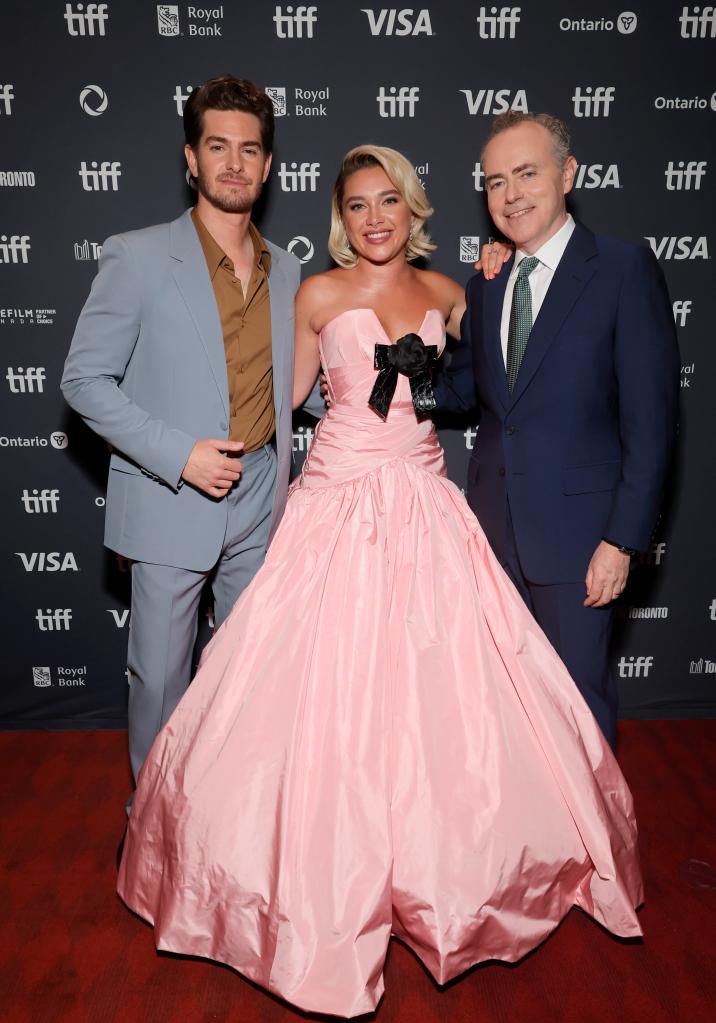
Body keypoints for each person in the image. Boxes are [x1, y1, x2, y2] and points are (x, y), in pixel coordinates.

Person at [117, 145, 643, 1018]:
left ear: (413, 208)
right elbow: (271, 399)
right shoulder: (313, 294)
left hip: (425, 505)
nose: (374, 218)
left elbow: (513, 378)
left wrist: (497, 274)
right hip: (332, 508)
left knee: (445, 700)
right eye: (357, 204)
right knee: (314, 703)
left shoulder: (453, 293)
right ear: (341, 217)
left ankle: (458, 869)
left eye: (388, 201)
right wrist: (181, 452)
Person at [61, 75, 323, 786]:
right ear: (191, 158)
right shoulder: (138, 256)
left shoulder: (292, 270)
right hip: (171, 496)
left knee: (246, 683)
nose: (234, 163)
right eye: (218, 147)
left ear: (269, 166)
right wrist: (179, 455)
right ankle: (152, 828)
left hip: (263, 500)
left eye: (249, 149)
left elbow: (307, 387)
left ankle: (227, 829)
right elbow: (82, 381)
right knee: (160, 683)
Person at [434, 111, 680, 748]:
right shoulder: (487, 284)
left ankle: (591, 846)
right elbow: (467, 391)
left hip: (579, 541)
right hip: (490, 534)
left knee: (576, 710)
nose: (511, 194)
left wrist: (621, 543)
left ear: (568, 174)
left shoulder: (623, 270)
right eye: (495, 181)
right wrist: (378, 380)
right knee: (504, 714)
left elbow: (651, 424)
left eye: (526, 173)